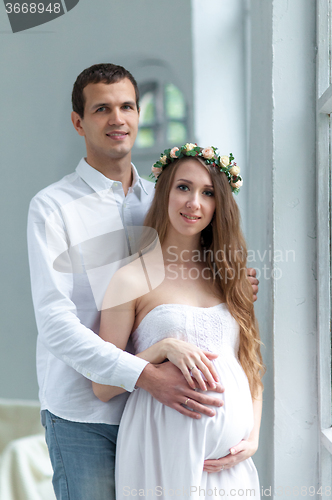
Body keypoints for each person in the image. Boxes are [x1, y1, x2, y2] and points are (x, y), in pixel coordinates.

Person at [27, 63, 259, 500]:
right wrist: (145, 373)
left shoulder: (166, 197)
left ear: (138, 113)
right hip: (84, 414)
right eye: (102, 109)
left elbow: (193, 270)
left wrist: (231, 286)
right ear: (79, 122)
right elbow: (55, 323)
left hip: (163, 416)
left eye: (127, 106)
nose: (117, 119)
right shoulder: (52, 208)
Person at [92, 144, 264, 499]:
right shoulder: (131, 278)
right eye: (183, 187)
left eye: (208, 193)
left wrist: (253, 437)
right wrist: (161, 348)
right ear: (165, 191)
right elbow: (103, 385)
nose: (193, 203)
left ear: (220, 205)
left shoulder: (230, 276)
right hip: (160, 454)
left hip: (229, 466)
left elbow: (250, 363)